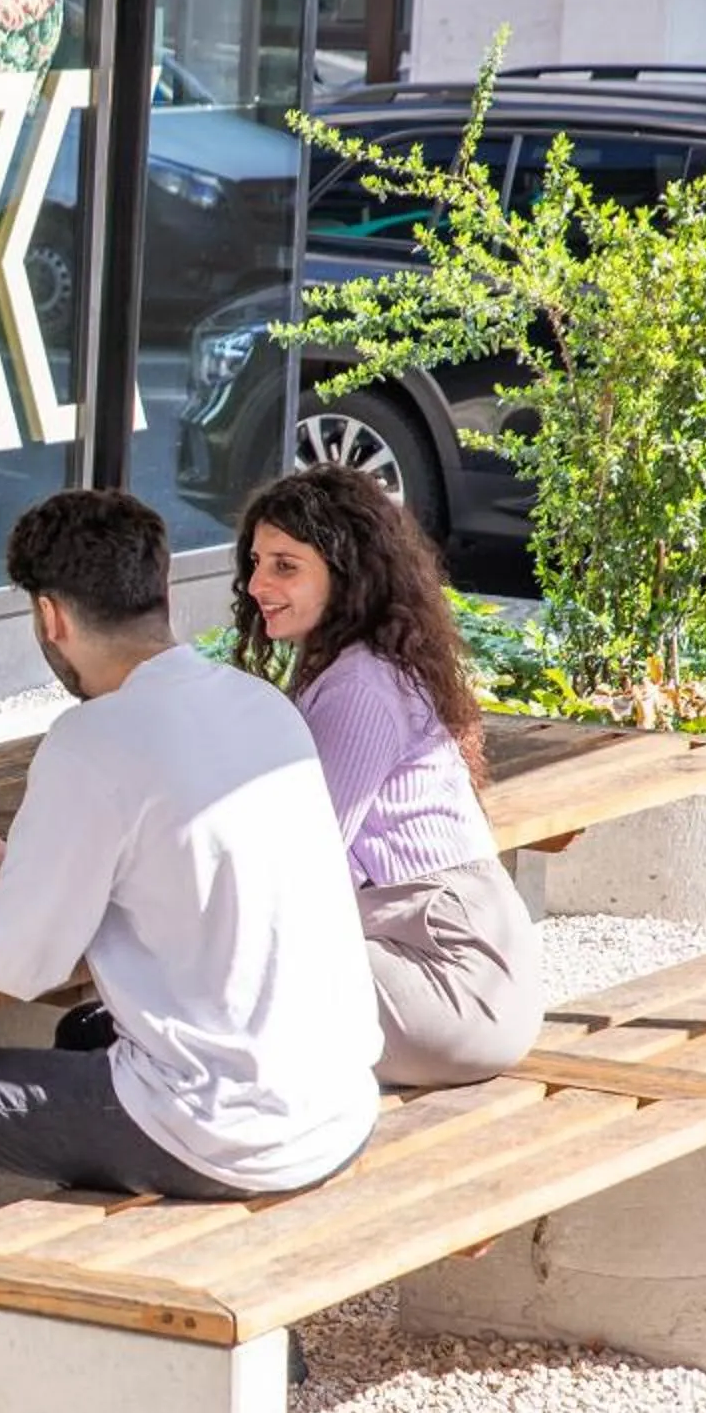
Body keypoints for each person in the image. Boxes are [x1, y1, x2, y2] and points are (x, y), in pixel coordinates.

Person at [0, 492, 380, 1413]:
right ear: (160, 590)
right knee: (82, 1040)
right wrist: (17, 872)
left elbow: (18, 961)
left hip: (227, 1123)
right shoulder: (260, 704)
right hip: (333, 1098)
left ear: (50, 617)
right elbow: (167, 881)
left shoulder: (94, 738)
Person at [231, 466, 546, 1088]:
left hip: (453, 986)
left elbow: (303, 864)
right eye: (256, 561)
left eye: (285, 566)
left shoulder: (360, 686)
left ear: (346, 572)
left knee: (210, 977)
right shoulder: (356, 667)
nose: (257, 583)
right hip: (455, 975)